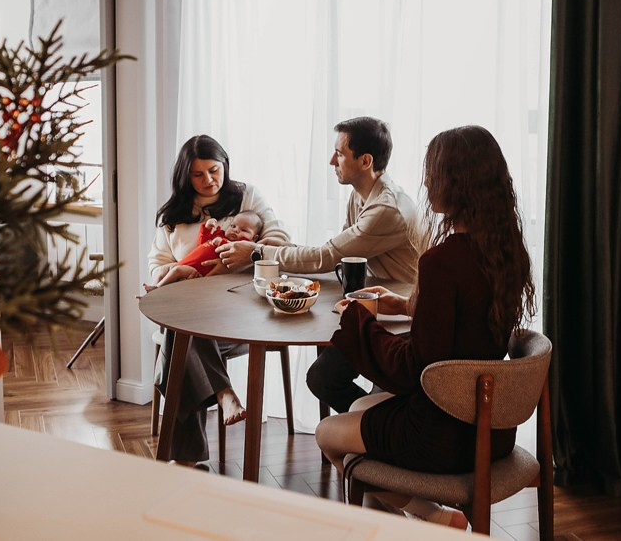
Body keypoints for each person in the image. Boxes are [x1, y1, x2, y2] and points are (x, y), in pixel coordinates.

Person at [314, 125, 537, 528]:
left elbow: (416, 369)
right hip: (491, 426)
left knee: (328, 433)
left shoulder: (440, 263)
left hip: (441, 432)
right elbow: (466, 325)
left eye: (433, 172)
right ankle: (410, 525)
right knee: (362, 405)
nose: (427, 182)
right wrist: (406, 305)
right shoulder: (508, 253)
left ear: (457, 182)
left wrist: (359, 321)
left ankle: (430, 516)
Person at [216, 117, 420, 413]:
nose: (330, 160)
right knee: (322, 377)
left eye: (339, 153)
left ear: (365, 161)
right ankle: (373, 427)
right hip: (374, 303)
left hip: (402, 315)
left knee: (325, 378)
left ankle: (378, 427)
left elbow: (327, 256)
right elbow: (338, 255)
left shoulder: (386, 209)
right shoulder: (360, 195)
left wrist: (257, 252)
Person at [147, 135, 289, 467]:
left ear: (225, 165)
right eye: (199, 174)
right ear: (185, 177)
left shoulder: (246, 196)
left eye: (214, 170)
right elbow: (155, 269)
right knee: (184, 329)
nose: (209, 180)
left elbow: (281, 239)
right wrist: (182, 271)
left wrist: (247, 254)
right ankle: (224, 393)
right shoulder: (172, 216)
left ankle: (186, 460)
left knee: (178, 338)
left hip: (240, 311)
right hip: (193, 312)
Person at [144, 211, 263, 291]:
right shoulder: (220, 235)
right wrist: (206, 229)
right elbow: (203, 242)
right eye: (233, 226)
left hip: (195, 271)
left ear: (254, 238)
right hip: (185, 263)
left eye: (243, 230)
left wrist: (221, 243)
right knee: (167, 270)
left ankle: (156, 289)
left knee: (177, 270)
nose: (236, 230)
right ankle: (159, 288)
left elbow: (231, 252)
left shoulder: (241, 246)